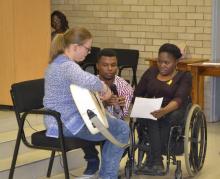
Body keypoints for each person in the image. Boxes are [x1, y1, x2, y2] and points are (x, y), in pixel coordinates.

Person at [43, 27, 130, 179]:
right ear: (76, 47)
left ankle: (104, 172)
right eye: (87, 49)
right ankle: (108, 176)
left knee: (114, 125)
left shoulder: (58, 63)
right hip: (66, 124)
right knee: (122, 129)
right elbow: (88, 80)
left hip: (61, 120)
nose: (88, 53)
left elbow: (80, 86)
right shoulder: (66, 65)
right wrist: (105, 89)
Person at [134, 43, 192, 175]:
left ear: (176, 62)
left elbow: (179, 99)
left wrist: (163, 111)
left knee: (157, 118)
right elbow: (137, 94)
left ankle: (154, 160)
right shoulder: (151, 72)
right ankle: (156, 160)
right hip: (151, 109)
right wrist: (145, 105)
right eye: (160, 61)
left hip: (174, 110)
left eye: (167, 62)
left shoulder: (184, 76)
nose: (162, 65)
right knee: (151, 117)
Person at [81, 49, 134, 177]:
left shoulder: (125, 87)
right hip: (93, 124)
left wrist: (117, 107)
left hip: (113, 126)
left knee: (121, 131)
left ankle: (107, 170)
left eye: (113, 65)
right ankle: (92, 159)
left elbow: (122, 118)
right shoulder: (89, 84)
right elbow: (84, 111)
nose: (110, 68)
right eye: (105, 65)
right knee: (81, 123)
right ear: (98, 66)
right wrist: (104, 104)